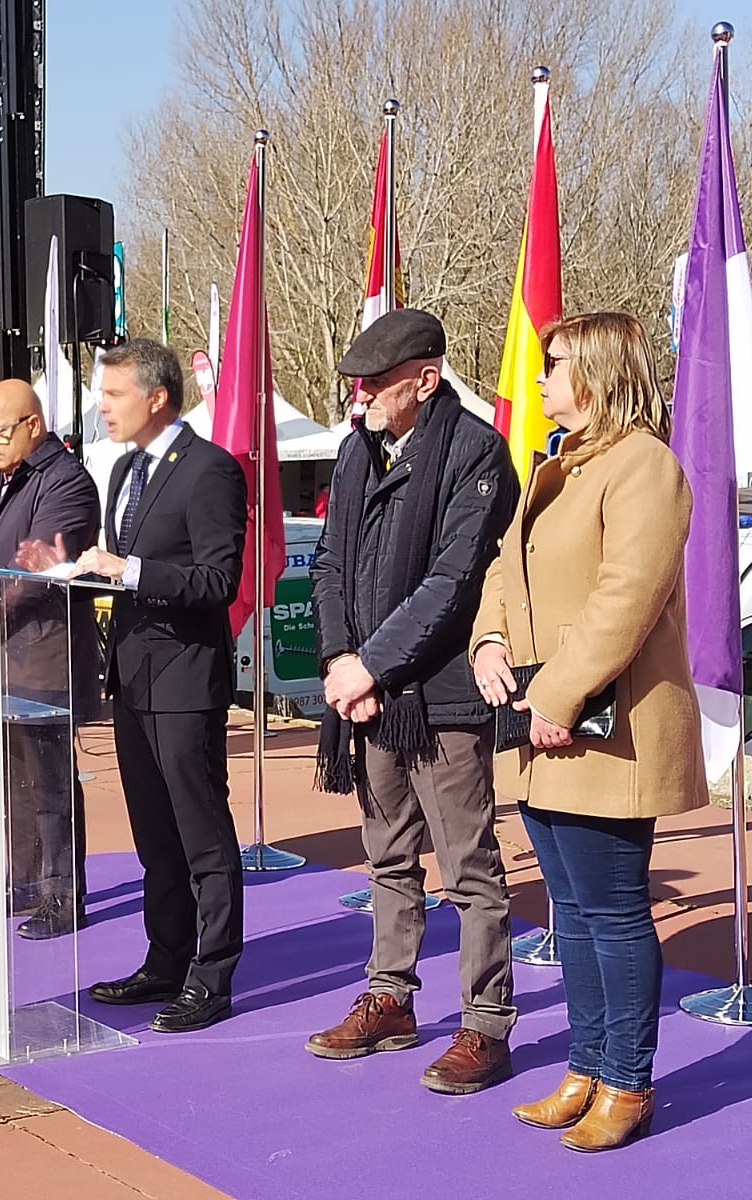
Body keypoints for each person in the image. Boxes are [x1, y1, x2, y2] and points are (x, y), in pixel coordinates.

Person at [471, 312, 706, 1152]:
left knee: (610, 912)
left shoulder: (646, 466)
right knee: (570, 913)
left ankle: (629, 1084)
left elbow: (626, 600)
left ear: (600, 372)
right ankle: (587, 1065)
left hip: (607, 729)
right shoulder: (556, 468)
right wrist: (489, 641)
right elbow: (504, 567)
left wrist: (558, 696)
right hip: (542, 723)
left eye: (554, 364)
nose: (540, 379)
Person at [307, 308, 521, 1094]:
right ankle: (390, 997)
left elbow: (455, 584)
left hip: (444, 697)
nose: (358, 400)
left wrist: (370, 667)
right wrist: (339, 661)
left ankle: (485, 1024)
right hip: (367, 694)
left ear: (425, 381)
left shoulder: (476, 453)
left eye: (374, 386)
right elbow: (328, 563)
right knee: (387, 856)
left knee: (469, 867)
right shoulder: (357, 450)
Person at [72, 338, 247, 1034]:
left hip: (186, 678)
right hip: (132, 676)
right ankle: (166, 957)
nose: (101, 406)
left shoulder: (209, 470)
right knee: (153, 834)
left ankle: (212, 974)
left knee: (200, 832)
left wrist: (130, 570)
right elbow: (118, 566)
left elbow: (218, 581)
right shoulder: (123, 471)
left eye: (112, 394)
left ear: (157, 397)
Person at [0, 379, 101, 940]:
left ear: (32, 425)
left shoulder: (66, 482)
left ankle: (63, 894)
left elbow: (38, 569)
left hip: (41, 657)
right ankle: (21, 884)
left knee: (49, 785)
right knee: (8, 782)